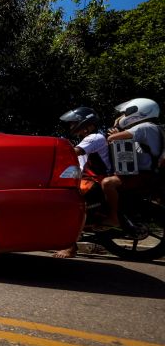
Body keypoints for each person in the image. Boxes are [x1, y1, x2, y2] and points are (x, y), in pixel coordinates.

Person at [52, 107, 111, 258]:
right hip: (88, 179)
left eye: (74, 123)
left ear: (87, 125)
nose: (71, 127)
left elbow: (72, 152)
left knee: (66, 206)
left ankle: (70, 247)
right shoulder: (89, 139)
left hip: (94, 181)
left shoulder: (94, 138)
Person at [99, 98, 161, 229]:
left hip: (143, 176)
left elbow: (111, 138)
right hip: (149, 174)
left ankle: (113, 217)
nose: (122, 116)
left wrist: (116, 128)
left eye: (124, 113)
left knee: (108, 183)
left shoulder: (144, 127)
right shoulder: (154, 128)